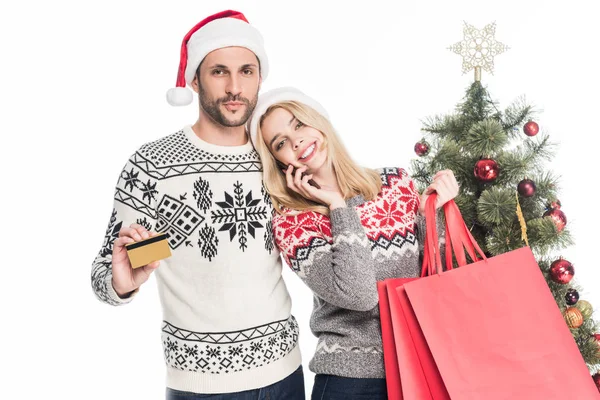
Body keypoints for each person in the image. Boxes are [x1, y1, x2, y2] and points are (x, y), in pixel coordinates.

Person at [91, 11, 305, 399]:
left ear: (261, 78)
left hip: (285, 375)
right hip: (200, 388)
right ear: (194, 79)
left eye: (247, 71)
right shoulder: (153, 165)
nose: (235, 87)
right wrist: (123, 283)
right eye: (219, 72)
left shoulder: (274, 156)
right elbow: (106, 273)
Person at [248, 87, 459, 399]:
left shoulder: (394, 183)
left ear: (319, 122)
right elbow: (360, 296)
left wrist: (438, 210)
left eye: (298, 124)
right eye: (280, 143)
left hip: (422, 368)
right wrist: (338, 208)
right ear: (279, 163)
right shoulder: (294, 223)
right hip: (351, 382)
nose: (295, 141)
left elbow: (439, 278)